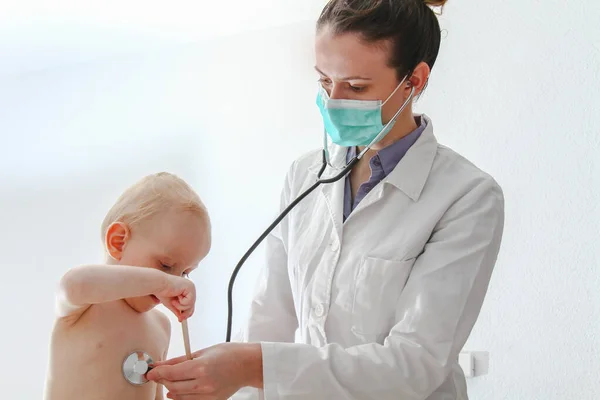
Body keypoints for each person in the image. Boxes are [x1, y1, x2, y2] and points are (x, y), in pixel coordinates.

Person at [147, 0, 505, 399]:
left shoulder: (467, 197)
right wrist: (243, 379)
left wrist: (251, 366)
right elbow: (270, 322)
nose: (334, 101)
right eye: (323, 82)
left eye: (355, 87)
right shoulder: (304, 176)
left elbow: (414, 364)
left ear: (414, 81)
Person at [43, 172, 211, 400]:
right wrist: (163, 282)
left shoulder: (161, 326)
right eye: (165, 265)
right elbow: (74, 284)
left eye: (185, 273)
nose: (176, 281)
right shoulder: (87, 302)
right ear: (118, 242)